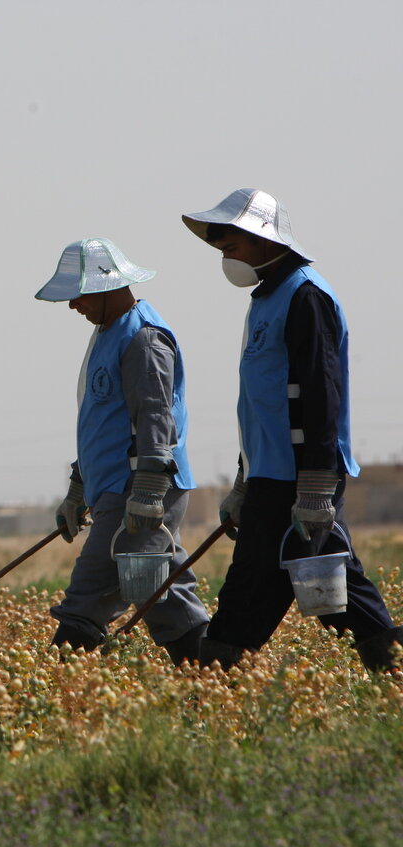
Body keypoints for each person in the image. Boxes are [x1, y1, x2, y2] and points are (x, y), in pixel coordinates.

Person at [183, 188, 402, 672]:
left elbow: (321, 396)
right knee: (330, 581)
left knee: (254, 586)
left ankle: (213, 684)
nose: (226, 258)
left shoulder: (306, 296)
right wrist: (245, 481)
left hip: (299, 478)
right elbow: (259, 409)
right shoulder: (266, 298)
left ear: (263, 240)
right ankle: (393, 665)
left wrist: (317, 488)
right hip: (271, 475)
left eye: (231, 247)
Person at [35, 239, 210, 664]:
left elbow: (155, 418)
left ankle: (52, 700)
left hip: (138, 488)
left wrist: (148, 491)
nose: (73, 305)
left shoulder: (143, 339)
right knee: (164, 594)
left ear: (107, 287)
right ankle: (216, 678)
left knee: (88, 596)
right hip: (118, 487)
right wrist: (79, 489)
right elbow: (104, 424)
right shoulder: (108, 334)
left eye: (79, 295)